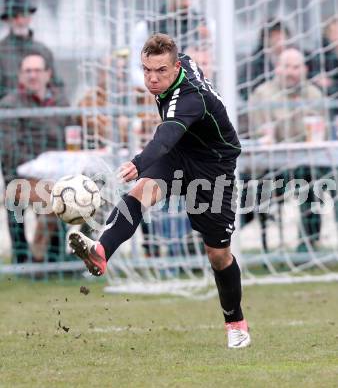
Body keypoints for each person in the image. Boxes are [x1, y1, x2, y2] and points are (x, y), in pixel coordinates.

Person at [69, 33, 250, 349]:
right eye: (146, 70)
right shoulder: (186, 63)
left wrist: (139, 161)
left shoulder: (190, 100)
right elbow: (170, 141)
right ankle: (101, 252)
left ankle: (235, 322)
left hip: (213, 167)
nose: (153, 79)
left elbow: (164, 138)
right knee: (140, 194)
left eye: (161, 71)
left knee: (218, 255)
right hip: (180, 154)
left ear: (176, 66)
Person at [248, 48, 325, 251]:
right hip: (272, 167)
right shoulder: (262, 94)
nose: (291, 72)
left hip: (307, 163)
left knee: (313, 179)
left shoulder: (314, 93)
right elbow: (261, 134)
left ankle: (308, 243)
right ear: (277, 68)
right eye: (286, 66)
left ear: (305, 69)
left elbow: (320, 133)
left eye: (296, 67)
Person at [0, 53, 71, 263]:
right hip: (23, 178)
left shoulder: (61, 101)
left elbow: (74, 135)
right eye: (27, 71)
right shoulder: (9, 105)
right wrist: (45, 167)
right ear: (20, 76)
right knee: (57, 196)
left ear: (48, 74)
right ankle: (41, 256)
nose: (33, 75)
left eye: (37, 70)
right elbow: (10, 151)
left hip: (62, 173)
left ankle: (82, 253)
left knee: (99, 193)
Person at [0, 0, 62, 100]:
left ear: (30, 17)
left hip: (41, 111)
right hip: (10, 112)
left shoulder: (44, 51)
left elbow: (57, 87)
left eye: (23, 15)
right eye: (15, 16)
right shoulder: (1, 52)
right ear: (8, 19)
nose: (20, 21)